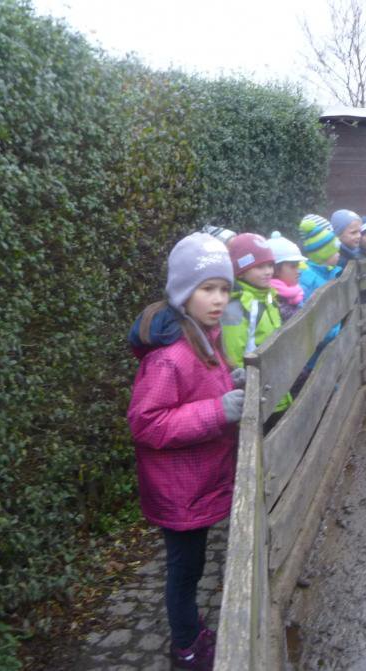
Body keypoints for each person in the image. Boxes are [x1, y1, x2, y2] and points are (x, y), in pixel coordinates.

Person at [127, 232, 243, 670]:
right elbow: (146, 422)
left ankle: (190, 628)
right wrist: (219, 410)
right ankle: (186, 647)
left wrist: (232, 382)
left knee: (192, 566)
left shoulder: (204, 336)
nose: (218, 299)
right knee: (184, 571)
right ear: (182, 292)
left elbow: (207, 385)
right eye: (207, 288)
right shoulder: (168, 357)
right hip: (179, 489)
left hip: (197, 481)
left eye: (224, 288)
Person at [221, 233, 291, 412]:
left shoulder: (268, 296)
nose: (268, 271)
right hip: (257, 393)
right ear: (241, 270)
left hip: (276, 383)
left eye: (270, 265)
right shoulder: (237, 305)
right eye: (260, 267)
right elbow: (233, 354)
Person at [298, 214, 342, 301]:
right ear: (324, 254)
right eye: (334, 251)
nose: (339, 254)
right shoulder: (308, 280)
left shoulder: (332, 270)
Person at [267, 231, 306, 322]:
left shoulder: (295, 292)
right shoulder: (272, 298)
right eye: (293, 266)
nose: (298, 271)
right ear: (276, 270)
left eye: (298, 266)